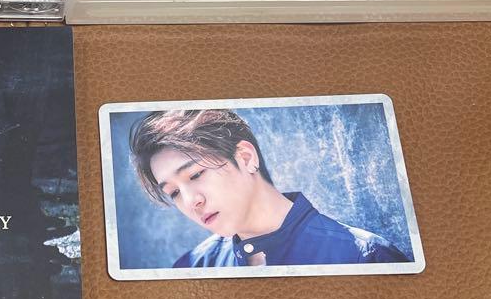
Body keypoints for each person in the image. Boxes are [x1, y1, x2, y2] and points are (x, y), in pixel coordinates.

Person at [129, 108, 408, 268]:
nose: (191, 201)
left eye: (196, 174)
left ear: (245, 157)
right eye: (174, 192)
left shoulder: (364, 256)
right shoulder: (194, 267)